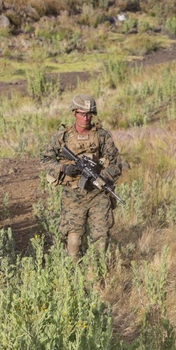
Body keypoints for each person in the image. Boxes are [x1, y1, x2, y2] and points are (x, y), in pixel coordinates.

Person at [41, 94, 122, 257]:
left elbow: (116, 164)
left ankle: (97, 275)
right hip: (73, 195)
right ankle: (74, 276)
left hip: (98, 194)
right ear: (74, 113)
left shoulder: (101, 136)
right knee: (73, 240)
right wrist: (63, 168)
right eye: (82, 114)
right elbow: (45, 160)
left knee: (101, 238)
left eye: (89, 114)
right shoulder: (62, 136)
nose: (86, 118)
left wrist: (103, 177)